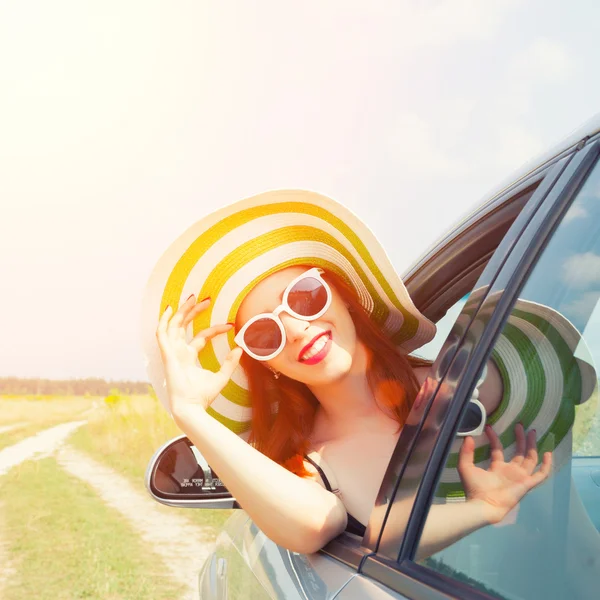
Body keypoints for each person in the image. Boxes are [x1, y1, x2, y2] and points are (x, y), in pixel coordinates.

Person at [143, 189, 555, 556]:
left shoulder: (473, 376)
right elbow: (313, 528)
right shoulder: (307, 463)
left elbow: (548, 369)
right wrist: (192, 415)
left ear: (343, 297)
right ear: (265, 365)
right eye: (264, 333)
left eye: (304, 297)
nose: (294, 329)